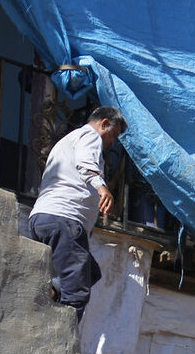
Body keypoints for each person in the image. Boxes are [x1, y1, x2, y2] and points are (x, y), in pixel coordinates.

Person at [28, 106, 128, 321]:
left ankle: (53, 291)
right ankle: (63, 347)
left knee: (90, 272)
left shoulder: (67, 141)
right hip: (65, 218)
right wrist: (102, 188)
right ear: (104, 124)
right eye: (113, 135)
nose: (112, 143)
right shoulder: (89, 136)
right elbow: (85, 163)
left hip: (44, 218)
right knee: (77, 293)